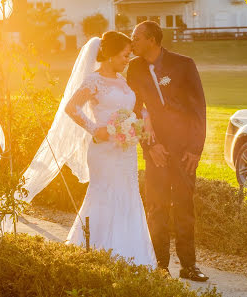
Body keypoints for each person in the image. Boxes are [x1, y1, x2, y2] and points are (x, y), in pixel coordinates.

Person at [62, 31, 156, 267]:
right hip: (103, 152)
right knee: (104, 197)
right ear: (112, 55)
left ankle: (131, 255)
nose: (128, 59)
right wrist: (95, 130)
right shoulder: (94, 81)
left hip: (125, 151)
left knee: (129, 197)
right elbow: (71, 108)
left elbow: (128, 110)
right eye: (125, 55)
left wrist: (138, 124)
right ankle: (95, 251)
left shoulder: (122, 81)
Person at [128, 21, 208, 281]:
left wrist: (195, 149)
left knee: (184, 207)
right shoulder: (133, 68)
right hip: (156, 152)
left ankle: (189, 266)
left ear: (151, 39)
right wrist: (150, 146)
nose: (132, 43)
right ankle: (160, 265)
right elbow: (133, 111)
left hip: (185, 150)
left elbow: (198, 109)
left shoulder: (184, 65)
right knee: (157, 207)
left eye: (136, 38)